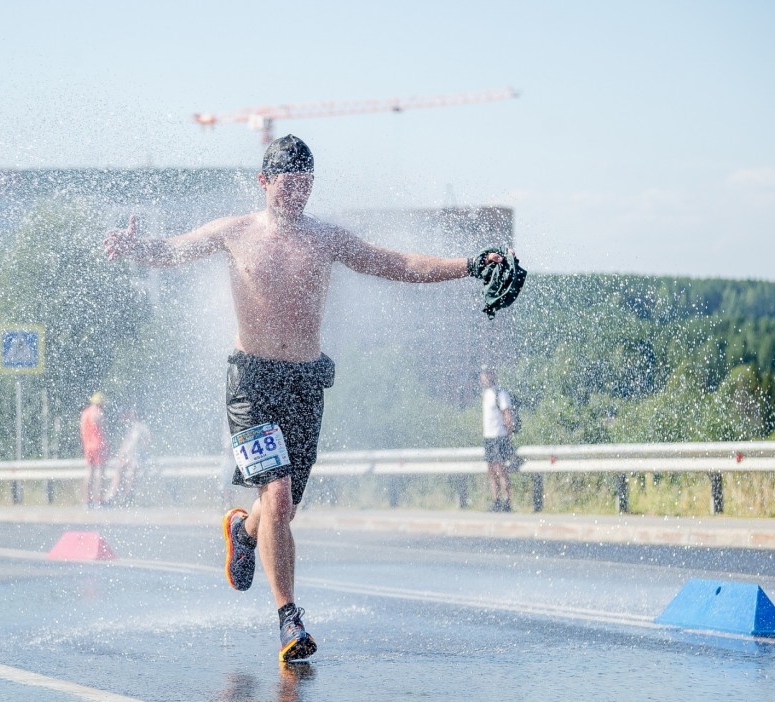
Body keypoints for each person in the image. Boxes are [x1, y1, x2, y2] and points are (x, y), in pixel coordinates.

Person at [104, 134, 515, 662]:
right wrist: (138, 249)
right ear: (264, 181)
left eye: (305, 184)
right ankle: (289, 620)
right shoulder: (235, 232)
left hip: (304, 383)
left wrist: (468, 265)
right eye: (286, 183)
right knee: (275, 497)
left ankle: (242, 530)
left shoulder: (326, 239)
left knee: (283, 509)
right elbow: (173, 251)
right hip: (250, 384)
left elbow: (396, 263)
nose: (295, 194)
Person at [479, 368, 517, 512]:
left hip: (499, 436)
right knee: (491, 471)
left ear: (492, 375)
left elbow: (507, 415)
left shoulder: (500, 393)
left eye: (486, 374)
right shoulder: (486, 394)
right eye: (482, 374)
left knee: (501, 470)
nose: (483, 377)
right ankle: (496, 501)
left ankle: (507, 501)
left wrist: (508, 435)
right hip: (488, 437)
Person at [103, 408, 151, 506]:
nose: (131, 416)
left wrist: (127, 455)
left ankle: (124, 496)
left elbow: (138, 443)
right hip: (133, 456)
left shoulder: (140, 427)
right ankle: (117, 496)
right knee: (122, 471)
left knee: (129, 472)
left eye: (133, 414)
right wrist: (122, 455)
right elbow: (129, 442)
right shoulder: (137, 427)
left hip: (137, 456)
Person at [80, 392, 109, 508]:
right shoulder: (98, 413)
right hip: (99, 445)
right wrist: (108, 442)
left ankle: (87, 501)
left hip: (88, 446)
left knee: (89, 474)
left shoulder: (85, 413)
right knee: (100, 473)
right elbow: (103, 430)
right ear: (101, 403)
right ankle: (99, 500)